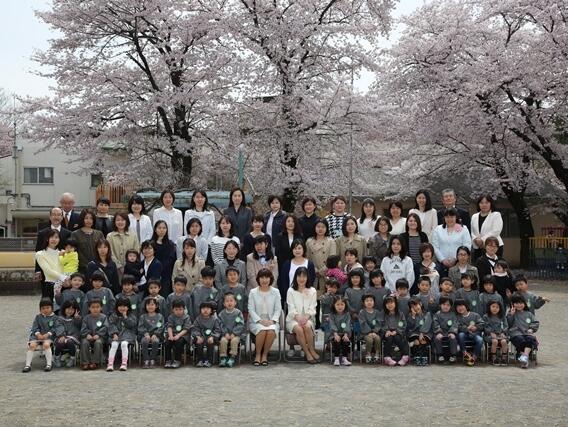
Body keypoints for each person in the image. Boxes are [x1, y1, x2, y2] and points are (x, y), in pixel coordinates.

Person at [248, 269, 282, 366]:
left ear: (270, 279)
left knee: (271, 331)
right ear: (258, 279)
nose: (264, 280)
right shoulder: (253, 292)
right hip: (257, 321)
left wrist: (273, 320)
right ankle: (258, 354)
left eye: (267, 277)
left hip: (271, 320)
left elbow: (278, 309)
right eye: (262, 277)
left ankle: (265, 355)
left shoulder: (276, 291)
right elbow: (251, 309)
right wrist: (260, 321)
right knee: (262, 331)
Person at [285, 267, 319, 364]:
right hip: (293, 319)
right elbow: (291, 308)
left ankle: (311, 350)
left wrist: (306, 318)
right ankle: (307, 353)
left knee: (307, 326)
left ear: (307, 277)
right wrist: (298, 318)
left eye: (304, 276)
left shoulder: (312, 290)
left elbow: (313, 307)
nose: (301, 279)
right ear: (295, 277)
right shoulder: (291, 290)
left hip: (308, 318)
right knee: (299, 329)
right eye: (299, 276)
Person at [35, 207, 71, 291]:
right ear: (50, 217)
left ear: (62, 217)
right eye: (54, 215)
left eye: (59, 215)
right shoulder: (42, 233)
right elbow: (38, 250)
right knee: (47, 295)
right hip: (46, 270)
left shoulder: (68, 233)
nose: (56, 217)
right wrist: (38, 270)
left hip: (63, 270)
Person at [431, 208, 471, 277]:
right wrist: (443, 260)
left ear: (456, 217)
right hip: (442, 264)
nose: (449, 219)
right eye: (447, 217)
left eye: (452, 217)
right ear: (444, 218)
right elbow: (435, 246)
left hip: (459, 263)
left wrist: (455, 258)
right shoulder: (438, 229)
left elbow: (467, 245)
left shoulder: (463, 228)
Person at [22, 298, 57, 372]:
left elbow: (55, 328)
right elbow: (34, 327)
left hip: (48, 337)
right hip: (37, 336)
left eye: (48, 308)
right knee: (32, 346)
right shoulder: (38, 317)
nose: (45, 310)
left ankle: (49, 364)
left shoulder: (55, 318)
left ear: (52, 308)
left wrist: (47, 334)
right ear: (40, 309)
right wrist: (38, 334)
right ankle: (27, 365)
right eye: (43, 308)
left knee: (46, 345)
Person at [278, 239, 316, 307]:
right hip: (291, 297)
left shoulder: (309, 264)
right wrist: (287, 296)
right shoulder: (287, 264)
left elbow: (311, 281)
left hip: (306, 297)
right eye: (295, 248)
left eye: (299, 248)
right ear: (292, 250)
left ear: (303, 249)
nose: (297, 250)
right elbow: (283, 282)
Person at [35, 229, 69, 301]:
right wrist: (63, 278)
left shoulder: (62, 253)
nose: (54, 239)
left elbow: (68, 267)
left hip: (64, 285)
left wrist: (68, 279)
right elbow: (48, 270)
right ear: (47, 239)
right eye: (51, 237)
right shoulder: (40, 254)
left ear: (59, 239)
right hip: (50, 285)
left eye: (56, 237)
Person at [306, 218, 337, 295]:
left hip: (327, 274)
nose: (320, 229)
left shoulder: (331, 241)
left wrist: (322, 271)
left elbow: (332, 259)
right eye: (318, 226)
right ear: (314, 227)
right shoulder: (309, 241)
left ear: (326, 228)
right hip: (313, 273)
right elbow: (307, 258)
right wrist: (315, 270)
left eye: (323, 227)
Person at [507, 295, 539, 369]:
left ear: (524, 304)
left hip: (527, 333)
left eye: (521, 303)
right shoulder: (511, 313)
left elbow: (535, 322)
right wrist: (511, 315)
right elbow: (508, 324)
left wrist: (531, 329)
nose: (519, 305)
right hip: (515, 333)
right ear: (513, 304)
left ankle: (524, 356)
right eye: (516, 303)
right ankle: (525, 357)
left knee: (531, 339)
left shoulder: (529, 314)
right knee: (520, 340)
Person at [106, 297, 137, 371]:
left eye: (124, 306)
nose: (122, 308)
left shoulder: (131, 315)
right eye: (120, 306)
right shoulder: (113, 315)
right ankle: (110, 364)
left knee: (124, 344)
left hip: (127, 335)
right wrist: (114, 334)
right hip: (116, 335)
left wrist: (125, 317)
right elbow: (111, 325)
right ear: (117, 307)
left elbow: (132, 325)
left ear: (128, 307)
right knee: (114, 344)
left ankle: (124, 363)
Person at [71, 208, 104, 275]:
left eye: (91, 218)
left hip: (98, 267)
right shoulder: (75, 234)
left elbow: (103, 250)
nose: (89, 221)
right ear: (82, 219)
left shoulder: (99, 234)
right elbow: (73, 252)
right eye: (86, 218)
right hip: (81, 268)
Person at [471, 194, 504, 260]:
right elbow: (472, 231)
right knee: (478, 265)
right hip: (478, 247)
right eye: (481, 203)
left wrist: (482, 240)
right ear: (478, 204)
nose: (484, 205)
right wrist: (475, 239)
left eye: (487, 202)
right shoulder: (474, 216)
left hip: (493, 247)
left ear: (491, 203)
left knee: (493, 266)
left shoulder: (496, 215)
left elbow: (496, 231)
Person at [218, 292, 246, 368]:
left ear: (235, 302)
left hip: (236, 334)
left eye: (231, 300)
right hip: (225, 334)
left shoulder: (238, 313)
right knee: (223, 341)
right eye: (227, 301)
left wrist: (234, 333)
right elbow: (220, 324)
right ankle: (223, 358)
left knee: (234, 341)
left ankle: (232, 358)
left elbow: (240, 324)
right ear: (224, 304)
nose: (229, 303)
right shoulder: (221, 314)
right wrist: (225, 333)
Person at [107, 212, 139, 276]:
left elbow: (136, 251)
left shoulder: (133, 236)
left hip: (131, 269)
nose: (120, 222)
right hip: (114, 269)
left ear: (127, 221)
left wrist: (129, 265)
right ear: (114, 222)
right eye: (118, 220)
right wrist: (119, 266)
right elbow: (110, 252)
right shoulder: (110, 236)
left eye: (123, 220)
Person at [380, 295, 410, 366]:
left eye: (392, 303)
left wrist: (396, 331)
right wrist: (387, 331)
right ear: (385, 305)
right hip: (387, 332)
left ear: (395, 303)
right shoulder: (383, 313)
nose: (390, 305)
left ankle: (405, 356)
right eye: (387, 303)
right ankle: (387, 357)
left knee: (398, 338)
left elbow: (402, 324)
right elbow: (381, 323)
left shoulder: (400, 313)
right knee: (389, 338)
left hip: (398, 332)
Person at [80, 299, 108, 370]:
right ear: (89, 308)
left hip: (100, 337)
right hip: (88, 337)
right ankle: (85, 362)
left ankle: (95, 362)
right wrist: (87, 334)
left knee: (98, 342)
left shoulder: (104, 317)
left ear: (101, 308)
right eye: (93, 307)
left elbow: (105, 327)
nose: (95, 309)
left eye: (97, 307)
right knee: (84, 342)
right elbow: (83, 329)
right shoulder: (86, 318)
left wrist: (98, 334)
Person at [192, 301, 222, 368]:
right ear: (200, 310)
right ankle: (199, 360)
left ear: (211, 310)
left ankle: (209, 360)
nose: (205, 310)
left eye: (208, 309)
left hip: (211, 337)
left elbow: (217, 330)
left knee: (210, 343)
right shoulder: (198, 319)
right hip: (200, 337)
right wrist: (198, 336)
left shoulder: (215, 319)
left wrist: (212, 336)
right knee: (198, 343)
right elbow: (195, 329)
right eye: (203, 308)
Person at [137, 297, 165, 369]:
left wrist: (155, 334)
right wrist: (146, 334)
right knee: (144, 341)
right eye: (148, 305)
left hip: (156, 335)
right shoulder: (143, 317)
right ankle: (146, 360)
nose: (150, 306)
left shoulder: (160, 316)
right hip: (145, 335)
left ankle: (153, 359)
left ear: (156, 306)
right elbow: (140, 326)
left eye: (152, 305)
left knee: (155, 341)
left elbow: (160, 327)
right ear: (145, 306)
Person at [455, 299, 484, 366]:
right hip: (464, 335)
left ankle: (474, 357)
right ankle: (465, 353)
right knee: (460, 335)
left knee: (480, 340)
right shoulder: (457, 317)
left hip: (475, 334)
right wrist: (467, 328)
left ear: (466, 306)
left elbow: (482, 324)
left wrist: (476, 327)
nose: (460, 308)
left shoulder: (475, 315)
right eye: (457, 306)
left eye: (462, 305)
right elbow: (457, 327)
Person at [152, 220, 177, 296]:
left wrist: (161, 269)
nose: (162, 230)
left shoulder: (170, 244)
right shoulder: (151, 243)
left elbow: (171, 259)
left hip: (166, 275)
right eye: (159, 228)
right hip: (153, 274)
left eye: (164, 228)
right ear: (155, 229)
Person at [54, 300, 82, 368]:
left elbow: (79, 327)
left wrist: (77, 318)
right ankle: (57, 358)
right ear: (64, 309)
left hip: (73, 337)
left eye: (72, 309)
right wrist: (62, 335)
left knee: (69, 342)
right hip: (61, 336)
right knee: (60, 342)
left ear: (75, 310)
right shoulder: (60, 318)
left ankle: (72, 358)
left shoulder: (77, 318)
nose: (70, 311)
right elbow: (59, 327)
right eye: (68, 309)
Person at [164, 299, 191, 369]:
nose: (178, 311)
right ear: (172, 309)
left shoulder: (187, 317)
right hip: (172, 334)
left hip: (183, 335)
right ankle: (168, 360)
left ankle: (177, 360)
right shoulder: (171, 317)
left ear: (184, 309)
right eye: (176, 309)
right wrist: (170, 336)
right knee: (167, 343)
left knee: (179, 342)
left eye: (180, 309)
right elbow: (169, 327)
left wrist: (178, 335)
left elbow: (186, 329)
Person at [407, 297, 433, 366]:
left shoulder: (427, 314)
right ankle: (417, 356)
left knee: (423, 340)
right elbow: (410, 327)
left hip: (426, 333)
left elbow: (427, 324)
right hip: (414, 333)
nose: (415, 308)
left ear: (420, 304)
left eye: (416, 305)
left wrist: (422, 333)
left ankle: (424, 356)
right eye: (412, 307)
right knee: (416, 341)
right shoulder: (410, 315)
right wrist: (413, 317)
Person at [433, 296, 458, 364]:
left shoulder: (453, 314)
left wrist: (452, 332)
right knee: (437, 338)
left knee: (453, 338)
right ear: (440, 305)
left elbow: (455, 324)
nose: (445, 306)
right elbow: (436, 324)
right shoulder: (437, 314)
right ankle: (440, 355)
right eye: (444, 304)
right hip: (440, 332)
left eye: (448, 305)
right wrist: (439, 332)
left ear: (450, 306)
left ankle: (453, 355)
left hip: (450, 332)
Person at [483, 301, 509, 366]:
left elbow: (506, 325)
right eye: (493, 307)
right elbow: (486, 326)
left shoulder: (502, 316)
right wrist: (491, 332)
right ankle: (493, 358)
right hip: (490, 335)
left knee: (504, 341)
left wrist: (503, 332)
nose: (495, 309)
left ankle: (504, 358)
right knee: (495, 341)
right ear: (489, 307)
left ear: (500, 308)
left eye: (497, 307)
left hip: (501, 334)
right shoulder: (486, 316)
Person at [329, 296, 352, 366]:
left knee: (346, 341)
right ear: (334, 305)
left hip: (345, 333)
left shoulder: (347, 314)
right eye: (338, 304)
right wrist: (335, 334)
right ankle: (336, 358)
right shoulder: (332, 314)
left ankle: (344, 358)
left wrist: (346, 334)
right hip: (334, 334)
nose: (340, 306)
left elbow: (348, 324)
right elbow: (332, 324)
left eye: (342, 304)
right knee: (337, 341)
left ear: (345, 305)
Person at [359, 294, 381, 364]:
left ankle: (377, 354)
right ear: (364, 303)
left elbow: (378, 323)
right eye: (367, 301)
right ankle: (368, 354)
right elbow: (363, 323)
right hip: (365, 333)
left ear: (374, 302)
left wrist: (374, 331)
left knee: (378, 339)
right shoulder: (362, 312)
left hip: (375, 333)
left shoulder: (377, 312)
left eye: (371, 300)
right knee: (369, 340)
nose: (369, 302)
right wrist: (369, 332)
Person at [345, 269, 365, 336]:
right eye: (353, 278)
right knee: (351, 330)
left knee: (360, 330)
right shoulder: (348, 290)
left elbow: (366, 302)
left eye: (357, 277)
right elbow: (346, 302)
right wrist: (353, 312)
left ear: (361, 278)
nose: (355, 279)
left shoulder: (364, 290)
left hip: (362, 315)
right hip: (350, 315)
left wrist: (361, 313)